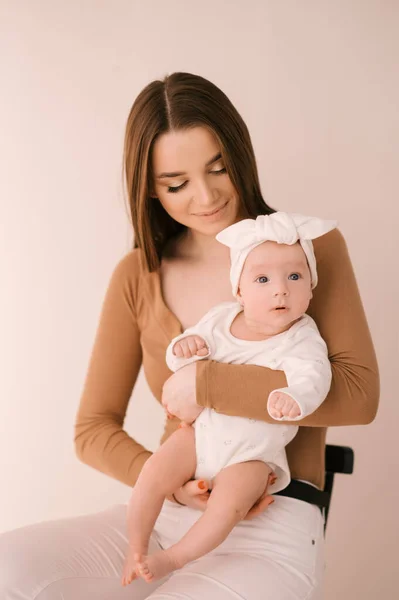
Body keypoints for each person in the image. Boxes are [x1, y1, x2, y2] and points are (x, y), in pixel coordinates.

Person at [0, 72, 379, 600]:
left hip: (272, 516)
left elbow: (360, 398)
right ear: (149, 188)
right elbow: (93, 428)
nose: (205, 196)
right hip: (168, 511)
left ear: (240, 154)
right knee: (9, 568)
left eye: (218, 168)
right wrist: (172, 484)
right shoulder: (138, 274)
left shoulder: (304, 247)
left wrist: (208, 384)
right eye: (175, 183)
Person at [122, 212, 336, 585]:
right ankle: (135, 547)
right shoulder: (221, 319)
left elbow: (315, 376)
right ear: (239, 290)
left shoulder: (302, 337)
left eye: (295, 277)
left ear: (311, 289)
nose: (280, 290)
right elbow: (181, 359)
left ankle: (173, 558)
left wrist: (295, 397)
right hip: (200, 435)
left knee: (227, 508)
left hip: (254, 455)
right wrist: (185, 347)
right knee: (153, 473)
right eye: (263, 279)